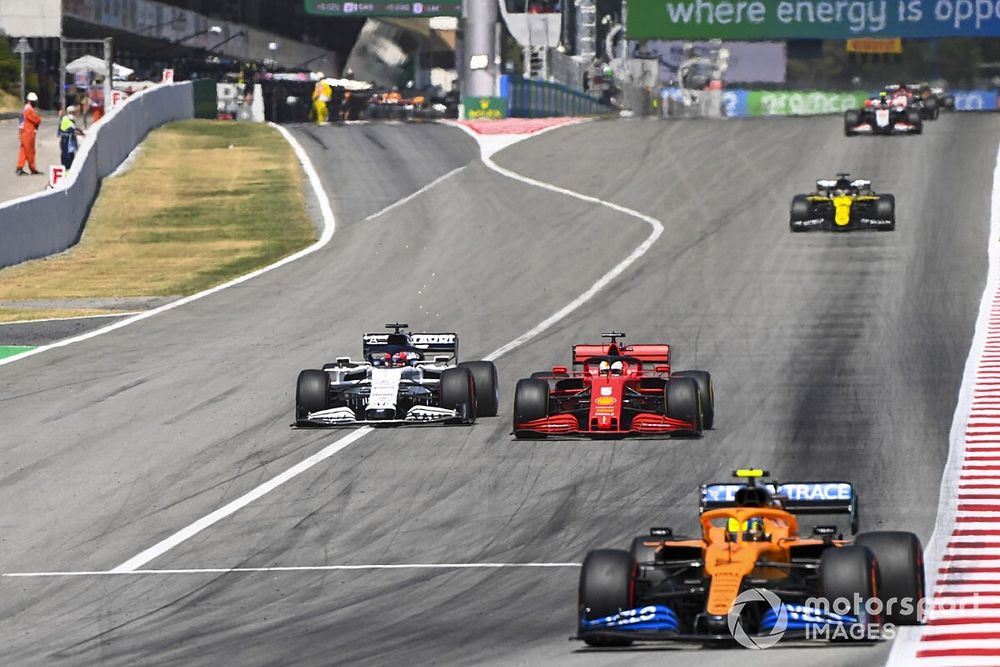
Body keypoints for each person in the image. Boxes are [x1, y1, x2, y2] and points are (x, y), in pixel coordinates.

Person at [16, 92, 42, 175]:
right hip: (28, 132)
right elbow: (37, 120)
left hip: (24, 131)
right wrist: (39, 118)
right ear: (30, 101)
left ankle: (19, 167)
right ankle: (33, 168)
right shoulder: (29, 110)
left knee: (23, 151)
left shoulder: (26, 109)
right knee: (30, 151)